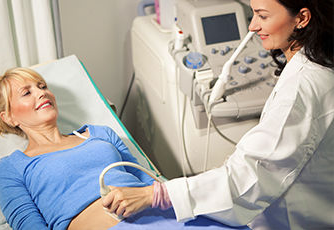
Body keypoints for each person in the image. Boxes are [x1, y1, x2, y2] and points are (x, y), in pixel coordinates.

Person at [102, 0, 334, 229]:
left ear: (302, 18)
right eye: (253, 14)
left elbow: (248, 177)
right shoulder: (320, 61)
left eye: (263, 16)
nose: (252, 26)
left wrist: (156, 194)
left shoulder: (301, 87)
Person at [0, 67, 155, 230]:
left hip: (162, 217)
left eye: (43, 86)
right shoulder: (11, 168)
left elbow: (149, 182)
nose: (42, 93)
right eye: (26, 93)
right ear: (9, 118)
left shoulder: (100, 134)